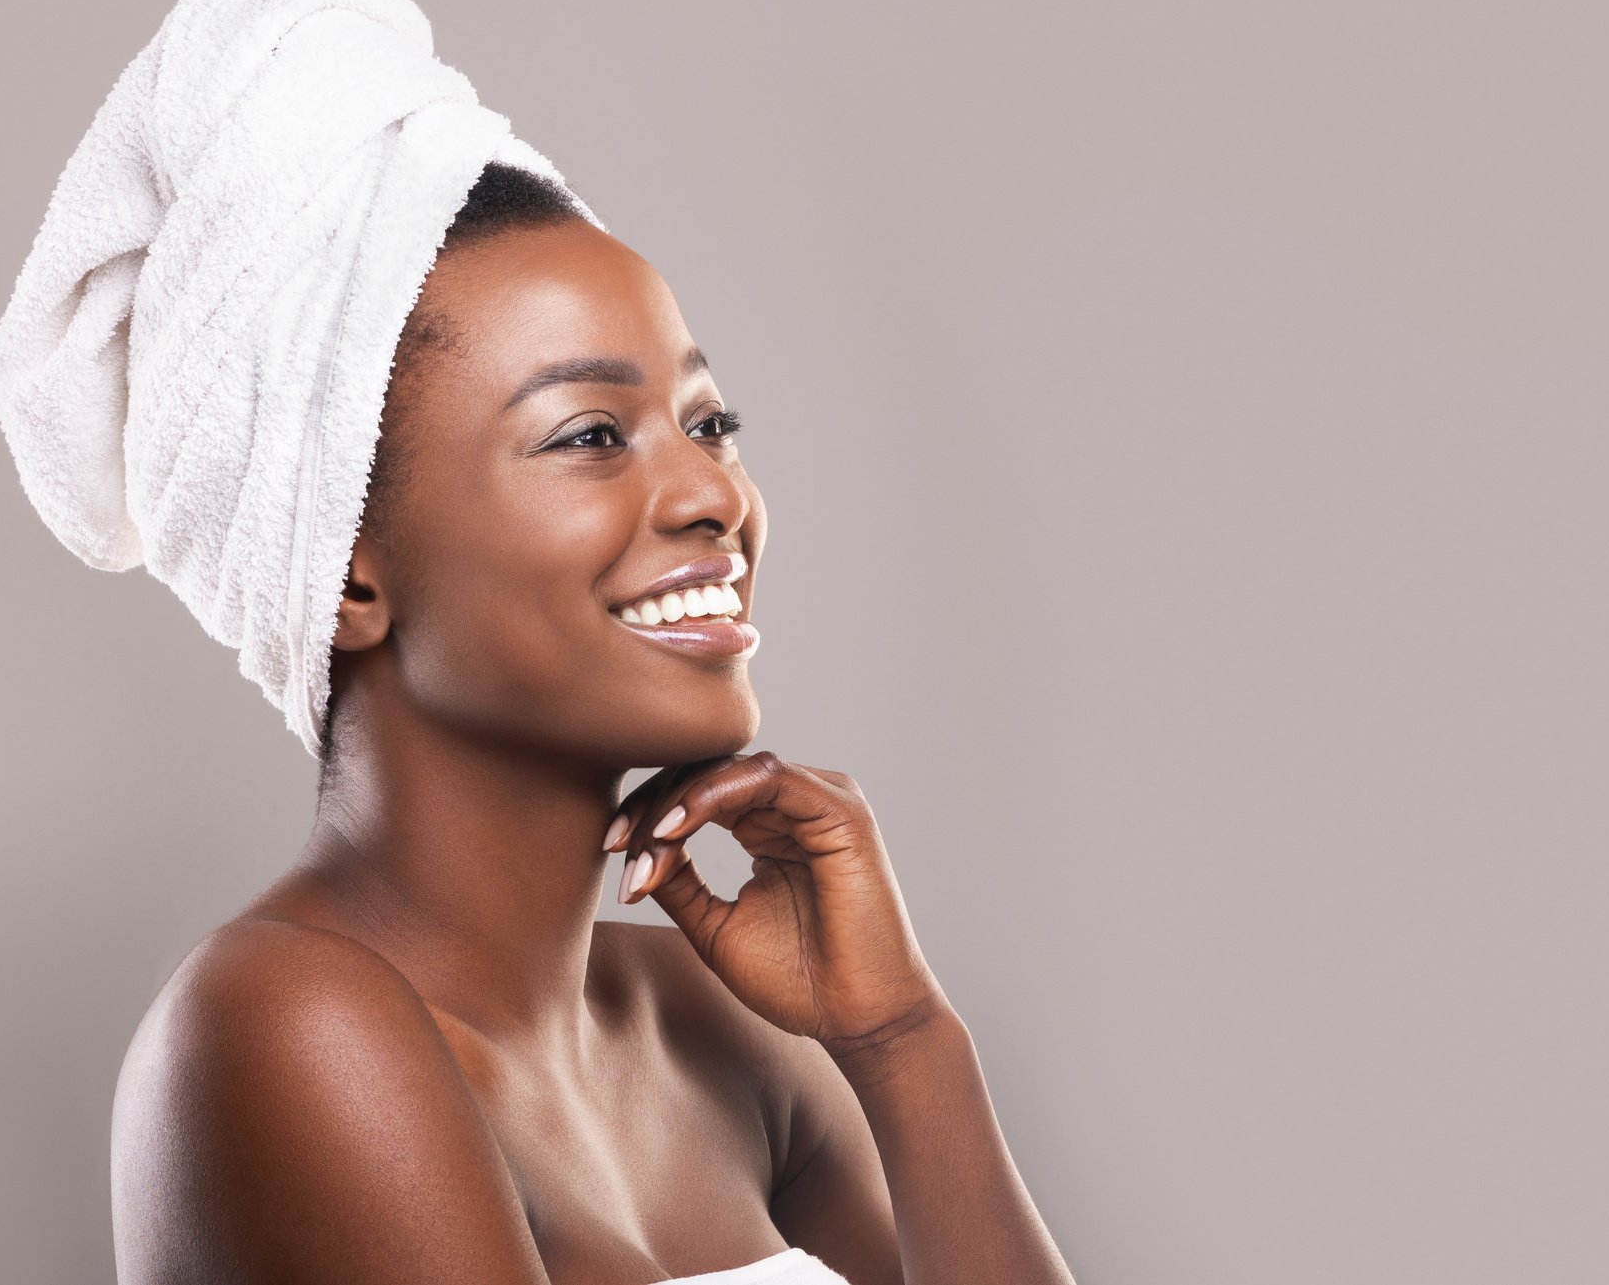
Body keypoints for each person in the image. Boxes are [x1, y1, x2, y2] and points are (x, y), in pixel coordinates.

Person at [98, 162, 1074, 1284]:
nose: (716, 497)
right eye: (590, 436)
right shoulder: (288, 1026)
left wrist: (904, 1041)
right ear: (345, 577)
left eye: (709, 422)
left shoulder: (714, 1034)